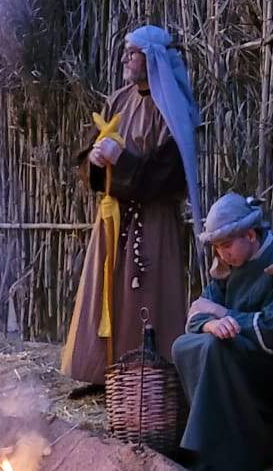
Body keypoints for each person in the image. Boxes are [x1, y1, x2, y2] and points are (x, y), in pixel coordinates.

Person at [60, 27, 200, 389]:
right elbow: (93, 152)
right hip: (112, 218)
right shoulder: (118, 101)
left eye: (133, 52)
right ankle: (102, 371)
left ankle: (144, 378)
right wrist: (93, 159)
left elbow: (169, 175)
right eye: (125, 51)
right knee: (105, 290)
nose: (125, 58)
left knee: (144, 295)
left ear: (151, 57)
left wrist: (121, 159)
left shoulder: (172, 109)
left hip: (150, 221)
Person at [172, 193, 273, 471]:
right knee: (186, 344)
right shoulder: (228, 265)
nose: (221, 255)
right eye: (217, 248)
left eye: (227, 246)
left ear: (250, 235)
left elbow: (272, 334)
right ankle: (208, 447)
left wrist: (221, 313)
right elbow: (196, 314)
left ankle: (233, 460)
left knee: (214, 349)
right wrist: (210, 325)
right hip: (241, 352)